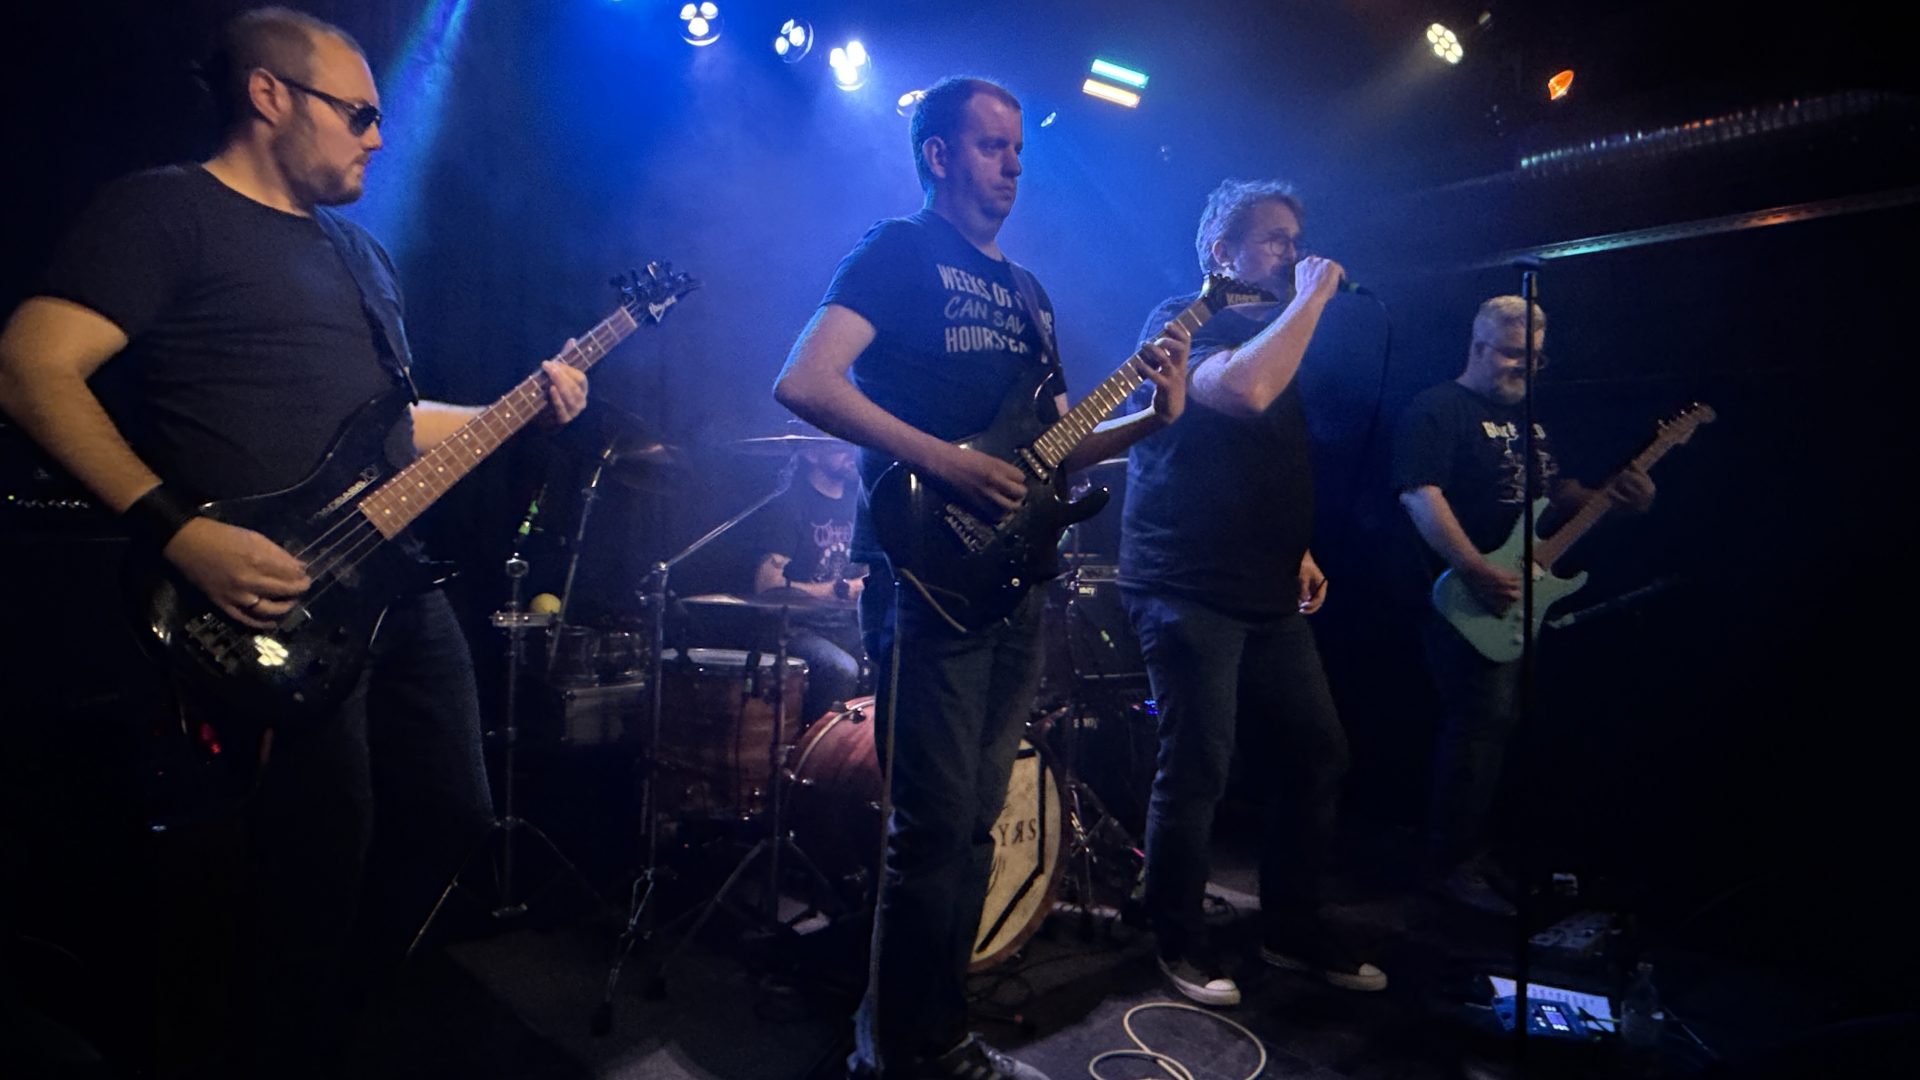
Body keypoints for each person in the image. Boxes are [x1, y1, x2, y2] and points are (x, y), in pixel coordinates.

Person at [0, 8, 588, 1075]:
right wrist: (181, 535)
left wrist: (517, 412)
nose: (380, 138)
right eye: (358, 114)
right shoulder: (164, 213)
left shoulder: (362, 256)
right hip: (264, 598)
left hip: (391, 587)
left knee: (454, 815)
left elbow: (394, 430)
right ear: (269, 96)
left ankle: (323, 1025)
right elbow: (30, 368)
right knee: (317, 854)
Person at [774, 75, 1190, 1080]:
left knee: (970, 830)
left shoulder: (1031, 294)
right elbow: (804, 381)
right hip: (927, 574)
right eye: (993, 145)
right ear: (939, 154)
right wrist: (944, 461)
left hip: (1016, 579)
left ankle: (935, 1037)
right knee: (929, 832)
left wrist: (1153, 417)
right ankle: (898, 1053)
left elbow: (1050, 452)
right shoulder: (898, 250)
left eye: (1019, 149)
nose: (1013, 165)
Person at [1119, 178, 1387, 1007]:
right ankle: (1175, 935)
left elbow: (1255, 458)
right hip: (1186, 583)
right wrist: (1309, 299)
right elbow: (1244, 392)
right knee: (1199, 765)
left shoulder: (1274, 334)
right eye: (1274, 239)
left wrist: (1295, 547)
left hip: (1266, 587)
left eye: (1296, 240)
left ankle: (1292, 926)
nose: (1292, 254)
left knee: (1317, 750)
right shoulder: (1181, 318)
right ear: (1221, 252)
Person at [1391, 295, 1654, 915]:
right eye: (1513, 354)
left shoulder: (1532, 418)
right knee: (1478, 727)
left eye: (1534, 357)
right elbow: (1420, 494)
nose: (1526, 367)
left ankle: (1482, 852)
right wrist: (1475, 568)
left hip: (1521, 592)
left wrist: (1615, 498)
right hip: (1459, 597)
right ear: (1478, 347)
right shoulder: (1438, 408)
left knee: (1505, 727)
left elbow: (1553, 491)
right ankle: (1447, 865)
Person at [750, 439, 869, 725]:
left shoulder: (859, 502)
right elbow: (766, 589)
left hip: (847, 625)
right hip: (795, 628)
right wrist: (838, 591)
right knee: (840, 669)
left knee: (893, 658)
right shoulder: (789, 505)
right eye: (838, 447)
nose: (851, 452)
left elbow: (869, 569)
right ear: (812, 454)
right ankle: (815, 746)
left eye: (851, 445)